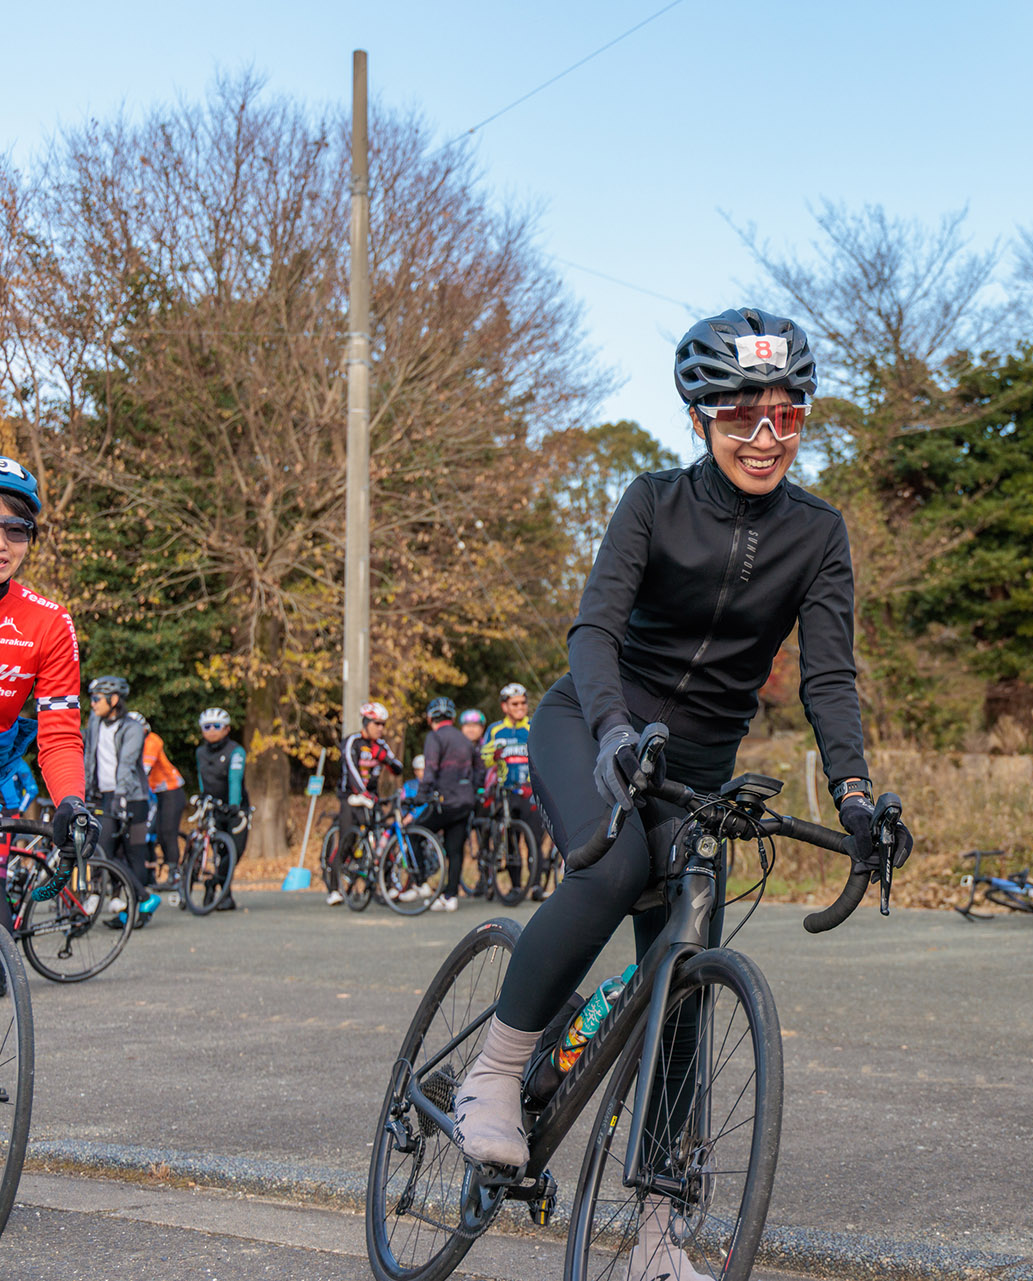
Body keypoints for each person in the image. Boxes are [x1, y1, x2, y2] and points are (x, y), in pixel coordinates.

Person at [451, 309, 911, 1279]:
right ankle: (492, 1073)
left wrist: (857, 797)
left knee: (685, 983)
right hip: (594, 726)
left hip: (697, 771)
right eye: (741, 415)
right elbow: (593, 631)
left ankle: (658, 1237)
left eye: (787, 416)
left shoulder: (818, 534)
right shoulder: (653, 502)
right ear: (699, 418)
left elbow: (830, 679)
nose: (765, 437)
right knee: (612, 864)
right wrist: (615, 731)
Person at [0, 460, 86, 859]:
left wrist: (71, 801)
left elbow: (59, 735)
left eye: (15, 530)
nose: (2, 544)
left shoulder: (49, 622)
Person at [84, 675, 162, 919]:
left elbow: (127, 764)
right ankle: (140, 899)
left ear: (114, 699)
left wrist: (120, 795)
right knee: (102, 850)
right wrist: (85, 790)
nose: (92, 704)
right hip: (105, 796)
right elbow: (88, 757)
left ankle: (135, 910)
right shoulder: (94, 722)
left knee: (135, 853)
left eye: (97, 698)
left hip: (134, 799)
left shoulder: (133, 728)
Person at [329, 700, 404, 906]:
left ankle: (388, 884)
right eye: (376, 724)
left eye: (383, 724)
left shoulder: (381, 745)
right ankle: (334, 888)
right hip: (350, 797)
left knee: (382, 840)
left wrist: (386, 759)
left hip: (373, 798)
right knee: (347, 839)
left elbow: (398, 768)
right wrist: (362, 792)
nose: (380, 728)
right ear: (366, 723)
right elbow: (351, 769)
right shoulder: (352, 742)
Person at [481, 683, 548, 898]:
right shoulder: (495, 730)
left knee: (534, 840)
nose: (520, 707)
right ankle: (516, 886)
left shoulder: (534, 726)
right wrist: (493, 755)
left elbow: (546, 755)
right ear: (505, 706)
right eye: (515, 704)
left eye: (523, 703)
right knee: (510, 841)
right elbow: (485, 759)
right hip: (506, 792)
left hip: (531, 792)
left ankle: (536, 886)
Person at [418, 696, 484, 913]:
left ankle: (420, 883)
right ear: (453, 718)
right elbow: (480, 768)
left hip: (444, 802)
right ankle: (451, 896)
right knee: (454, 849)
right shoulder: (464, 739)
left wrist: (421, 794)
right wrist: (473, 789)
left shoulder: (434, 737)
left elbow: (430, 769)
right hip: (465, 802)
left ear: (430, 718)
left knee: (414, 833)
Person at [194, 707, 248, 909]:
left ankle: (214, 883)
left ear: (226, 729)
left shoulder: (236, 751)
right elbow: (202, 777)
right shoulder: (200, 752)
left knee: (235, 851)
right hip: (214, 807)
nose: (211, 730)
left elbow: (235, 778)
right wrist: (203, 798)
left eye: (217, 726)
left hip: (236, 808)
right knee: (219, 852)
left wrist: (234, 804)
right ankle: (225, 896)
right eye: (207, 727)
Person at [143, 722, 186, 889]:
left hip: (171, 791)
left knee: (168, 833)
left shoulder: (152, 741)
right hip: (158, 794)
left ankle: (174, 875)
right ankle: (164, 872)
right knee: (159, 833)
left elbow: (145, 769)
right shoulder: (135, 743)